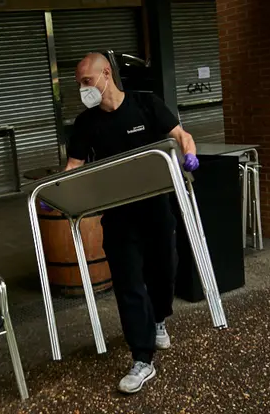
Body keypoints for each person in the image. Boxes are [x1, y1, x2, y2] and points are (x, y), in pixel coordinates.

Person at [64, 53, 199, 394]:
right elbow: (74, 165)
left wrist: (189, 156)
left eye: (86, 81)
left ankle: (158, 319)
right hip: (119, 215)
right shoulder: (85, 123)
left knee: (164, 272)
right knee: (128, 283)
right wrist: (60, 193)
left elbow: (181, 134)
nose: (83, 89)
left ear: (106, 74)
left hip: (155, 208)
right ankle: (142, 359)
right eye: (79, 84)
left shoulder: (146, 105)